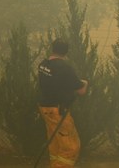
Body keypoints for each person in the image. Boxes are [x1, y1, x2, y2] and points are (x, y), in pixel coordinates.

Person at [37, 38, 88, 168]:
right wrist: (85, 83)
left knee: (55, 145)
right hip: (58, 111)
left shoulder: (43, 65)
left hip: (45, 109)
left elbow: (55, 82)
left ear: (53, 48)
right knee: (70, 148)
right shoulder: (65, 68)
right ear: (66, 52)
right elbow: (81, 90)